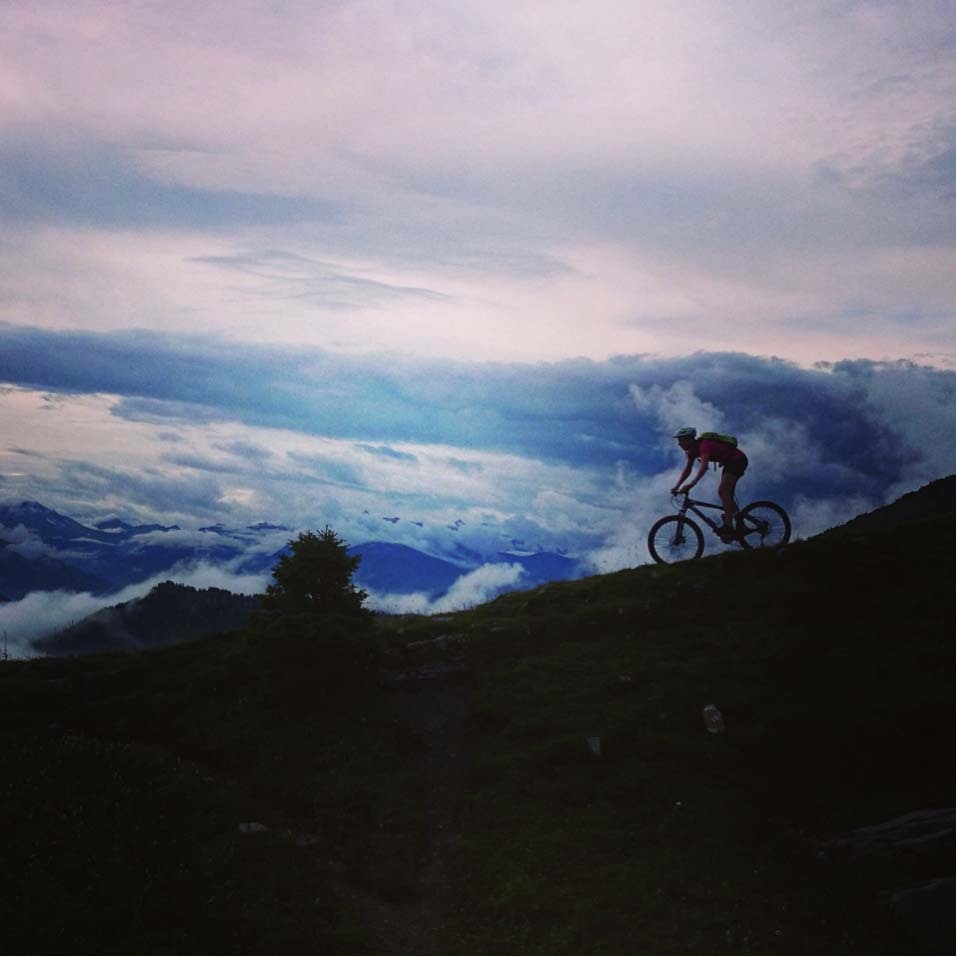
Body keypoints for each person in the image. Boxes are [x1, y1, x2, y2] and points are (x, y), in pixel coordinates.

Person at [670, 427, 749, 541]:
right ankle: (741, 525)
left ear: (689, 439)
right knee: (726, 495)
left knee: (723, 491)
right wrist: (676, 486)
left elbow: (703, 467)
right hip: (729, 463)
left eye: (681, 440)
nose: (679, 444)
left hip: (737, 459)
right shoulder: (691, 452)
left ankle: (728, 525)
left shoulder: (704, 445)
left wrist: (692, 484)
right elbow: (687, 470)